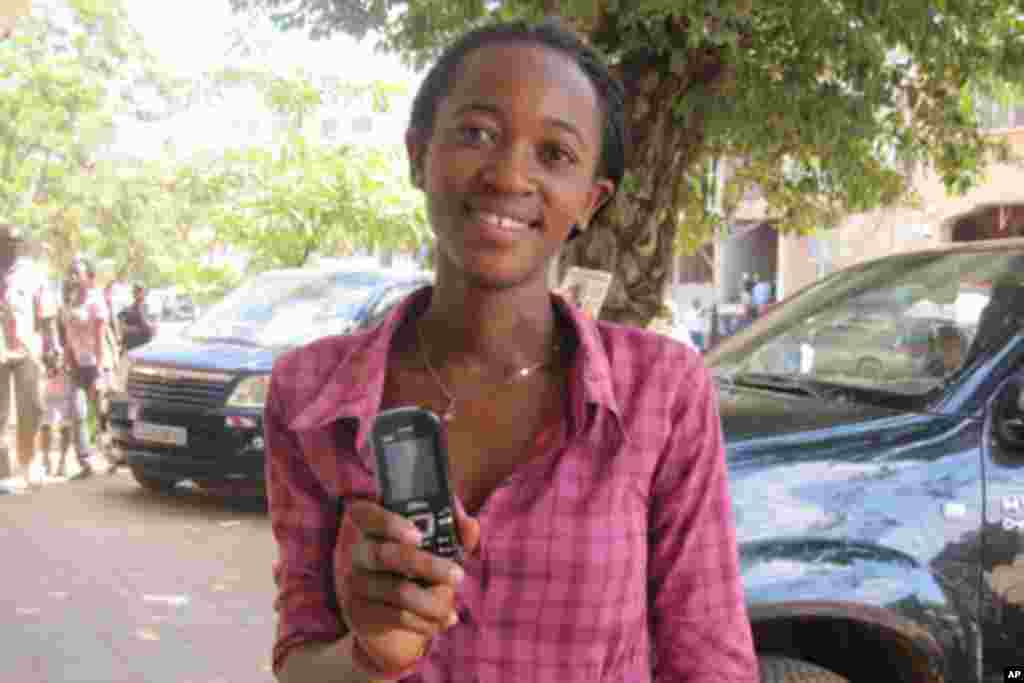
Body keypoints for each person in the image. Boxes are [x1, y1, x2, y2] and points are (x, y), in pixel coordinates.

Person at [264, 19, 758, 683]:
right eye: (476, 133)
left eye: (554, 154)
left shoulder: (661, 392)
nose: (506, 174)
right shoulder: (310, 393)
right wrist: (369, 654)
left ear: (590, 199)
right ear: (418, 155)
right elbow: (300, 664)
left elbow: (710, 662)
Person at [0, 225, 58, 492]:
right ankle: (2, 471)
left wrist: (52, 346)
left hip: (27, 350)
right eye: (4, 241)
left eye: (13, 241)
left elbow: (47, 314)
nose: (9, 246)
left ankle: (27, 462)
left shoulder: (32, 274)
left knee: (32, 407)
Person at [58, 256, 110, 479]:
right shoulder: (69, 303)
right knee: (78, 413)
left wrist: (98, 371)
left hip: (95, 366)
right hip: (77, 366)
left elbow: (100, 340)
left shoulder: (96, 303)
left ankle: (114, 455)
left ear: (89, 278)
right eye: (71, 272)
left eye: (77, 273)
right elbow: (68, 337)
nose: (73, 277)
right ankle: (86, 462)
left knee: (101, 414)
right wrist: (67, 362)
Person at [38, 348, 73, 479]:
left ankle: (62, 462)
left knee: (65, 427)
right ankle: (46, 460)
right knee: (45, 426)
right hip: (49, 389)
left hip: (65, 387)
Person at [117, 282, 156, 353]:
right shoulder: (128, 308)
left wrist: (136, 329)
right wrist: (124, 329)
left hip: (144, 347)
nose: (136, 293)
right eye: (135, 291)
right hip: (129, 347)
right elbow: (120, 323)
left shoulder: (149, 307)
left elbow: (151, 328)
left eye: (139, 291)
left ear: (144, 293)